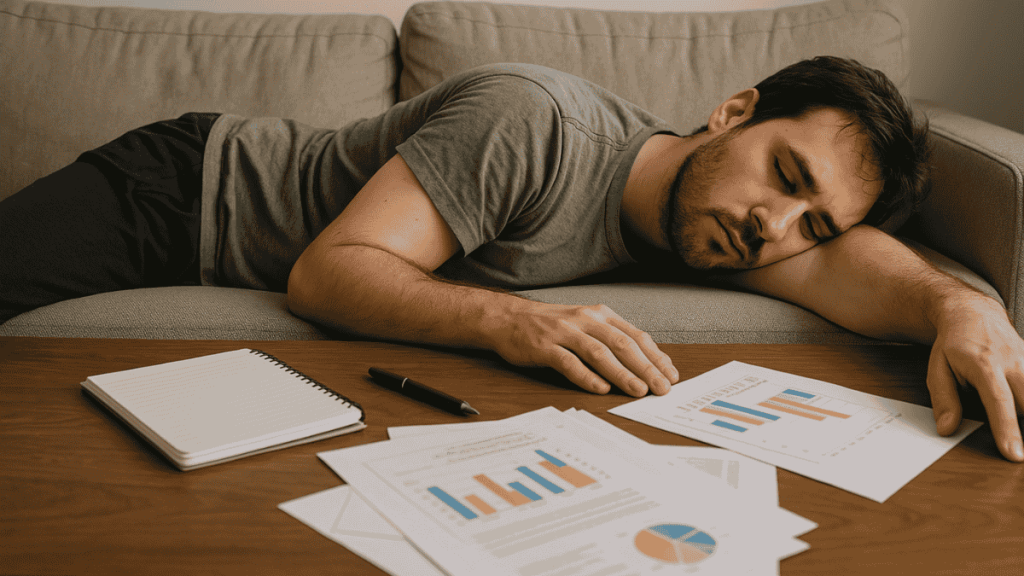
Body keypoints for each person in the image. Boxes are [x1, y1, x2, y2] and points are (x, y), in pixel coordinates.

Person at [1, 57, 1021, 462]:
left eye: (813, 223)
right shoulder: (534, 122)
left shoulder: (722, 227)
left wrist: (963, 310)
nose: (777, 229)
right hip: (183, 192)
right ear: (733, 112)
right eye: (784, 173)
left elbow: (865, 275)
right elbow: (330, 270)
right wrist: (513, 319)